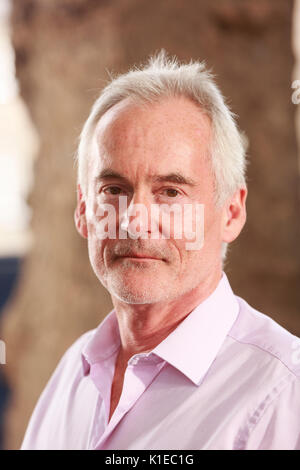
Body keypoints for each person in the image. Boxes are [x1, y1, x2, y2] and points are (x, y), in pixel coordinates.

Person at [21, 51, 300, 450]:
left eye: (170, 192)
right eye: (113, 190)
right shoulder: (71, 374)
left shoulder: (284, 395)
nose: (136, 221)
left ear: (232, 213)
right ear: (83, 210)